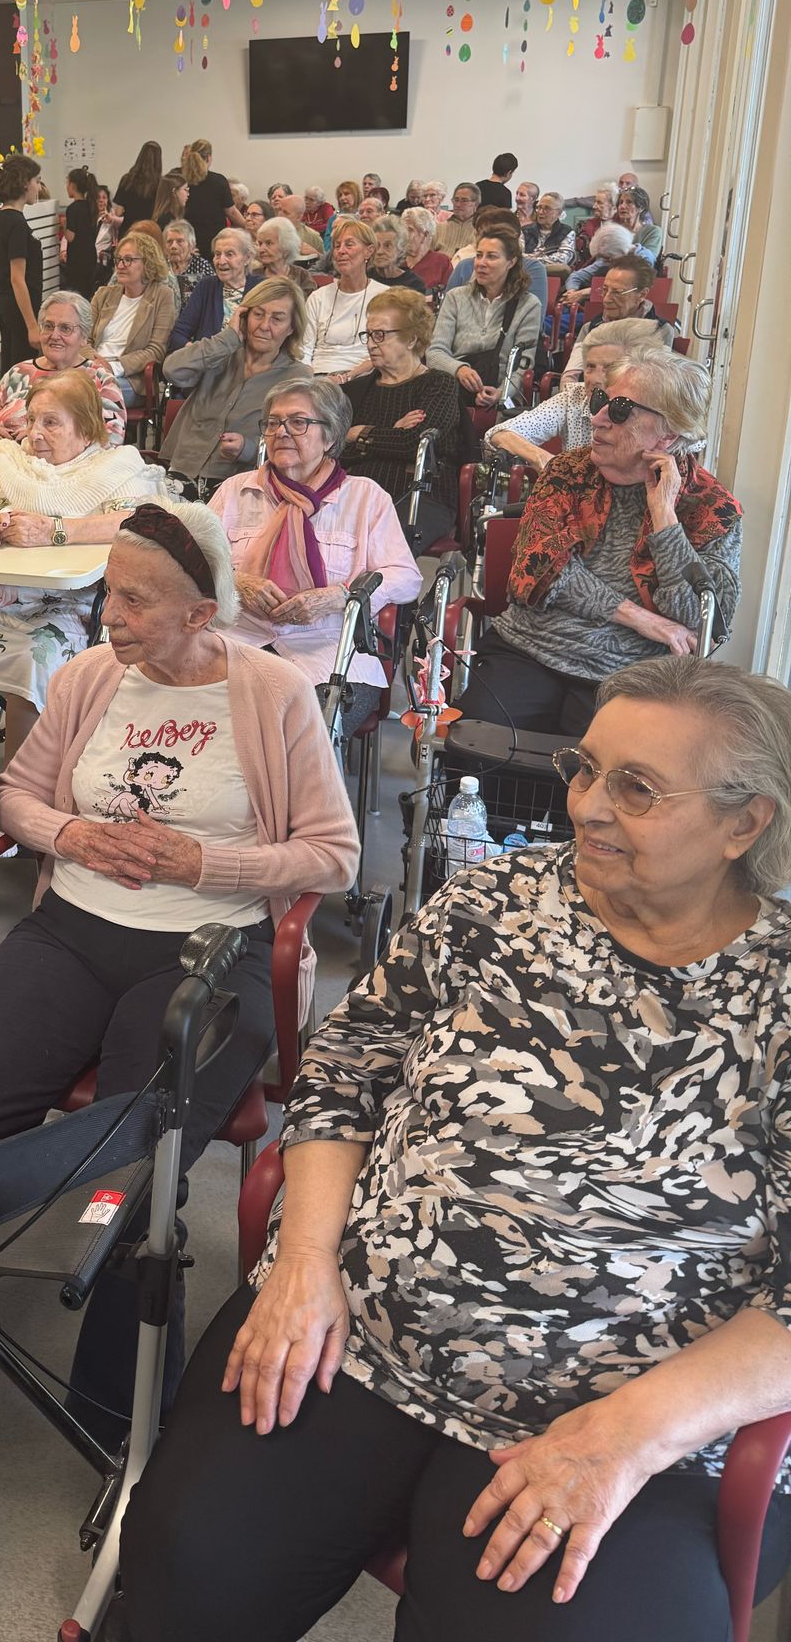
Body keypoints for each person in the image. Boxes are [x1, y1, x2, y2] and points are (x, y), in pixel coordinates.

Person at [119, 653, 791, 1642]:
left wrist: (626, 1436)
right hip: (359, 1329)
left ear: (745, 823)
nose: (586, 807)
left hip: (618, 1402)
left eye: (637, 788)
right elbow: (348, 1062)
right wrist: (302, 1261)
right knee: (186, 1572)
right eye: (585, 768)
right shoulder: (497, 899)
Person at [0, 500, 360, 1469]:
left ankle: (117, 1416)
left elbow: (334, 854)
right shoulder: (87, 675)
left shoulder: (275, 692)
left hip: (211, 949)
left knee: (130, 1168)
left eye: (135, 600)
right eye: (109, 591)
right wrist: (72, 833)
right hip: (72, 930)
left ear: (202, 613)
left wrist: (205, 862)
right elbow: (15, 798)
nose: (108, 613)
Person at [459, 352, 739, 734]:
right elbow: (539, 569)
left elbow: (701, 621)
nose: (597, 418)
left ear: (668, 435)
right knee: (476, 738)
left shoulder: (712, 509)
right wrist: (644, 620)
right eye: (600, 400)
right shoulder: (568, 472)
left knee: (602, 762)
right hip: (530, 647)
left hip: (633, 674)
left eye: (620, 410)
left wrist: (665, 521)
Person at [0, 371, 164, 758]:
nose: (34, 433)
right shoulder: (4, 459)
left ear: (86, 429)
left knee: (34, 661)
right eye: (31, 419)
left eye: (51, 422)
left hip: (62, 603)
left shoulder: (116, 467)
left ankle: (17, 783)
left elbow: (134, 521)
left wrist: (56, 530)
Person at [211, 378, 420, 740]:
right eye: (273, 423)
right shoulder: (236, 491)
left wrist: (339, 596)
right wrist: (237, 583)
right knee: (208, 730)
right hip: (239, 641)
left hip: (328, 653)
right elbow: (194, 562)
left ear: (330, 436)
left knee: (301, 741)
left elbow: (406, 576)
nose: (281, 432)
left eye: (298, 422)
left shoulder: (365, 498)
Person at [163, 278, 311, 494]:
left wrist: (247, 448)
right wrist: (228, 338)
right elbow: (172, 370)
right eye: (258, 314)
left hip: (240, 483)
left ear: (292, 328)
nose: (264, 326)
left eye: (277, 319)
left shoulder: (296, 377)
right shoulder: (220, 353)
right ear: (244, 316)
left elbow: (298, 441)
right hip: (183, 471)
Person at [342, 290, 465, 546]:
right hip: (356, 493)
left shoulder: (439, 384)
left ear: (411, 339)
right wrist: (392, 432)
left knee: (380, 546)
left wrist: (358, 433)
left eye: (380, 335)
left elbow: (416, 445)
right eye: (368, 334)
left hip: (420, 495)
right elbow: (336, 452)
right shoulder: (356, 391)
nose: (370, 344)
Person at [488, 317, 665, 473]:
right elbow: (499, 433)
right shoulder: (573, 397)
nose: (594, 379)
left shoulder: (650, 407)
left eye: (609, 368)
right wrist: (545, 460)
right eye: (590, 367)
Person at [0, 291, 126, 451]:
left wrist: (39, 437)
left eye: (65, 328)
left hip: (69, 466)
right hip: (4, 460)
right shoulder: (18, 373)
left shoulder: (101, 379)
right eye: (48, 326)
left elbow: (111, 439)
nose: (54, 335)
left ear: (83, 337)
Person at [426, 226, 543, 409]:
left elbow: (523, 365)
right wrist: (459, 369)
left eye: (491, 256)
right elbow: (435, 352)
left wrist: (501, 393)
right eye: (479, 255)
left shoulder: (528, 305)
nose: (481, 263)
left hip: (499, 392)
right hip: (452, 387)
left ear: (511, 262)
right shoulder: (456, 297)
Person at [89, 232, 178, 408]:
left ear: (148, 263)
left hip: (130, 378)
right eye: (118, 259)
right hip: (90, 370)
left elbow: (156, 350)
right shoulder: (103, 294)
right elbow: (81, 338)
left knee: (86, 393)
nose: (120, 265)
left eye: (128, 260)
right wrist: (94, 364)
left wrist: (113, 367)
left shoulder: (162, 296)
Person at [297, 220, 388, 380]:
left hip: (364, 377)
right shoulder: (318, 297)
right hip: (319, 377)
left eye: (349, 245)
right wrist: (310, 379)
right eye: (337, 246)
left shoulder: (385, 297)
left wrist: (348, 377)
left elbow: (386, 351)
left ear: (369, 251)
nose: (341, 251)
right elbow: (304, 350)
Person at [559, 256, 672, 382]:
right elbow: (570, 376)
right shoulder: (591, 328)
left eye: (617, 292)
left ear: (642, 294)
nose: (606, 299)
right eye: (604, 290)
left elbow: (657, 382)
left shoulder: (660, 330)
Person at [0, 153, 44, 371]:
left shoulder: (4, 217)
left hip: (9, 306)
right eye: (37, 181)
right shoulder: (16, 223)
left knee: (11, 369)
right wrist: (32, 326)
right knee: (21, 371)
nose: (39, 188)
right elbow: (17, 278)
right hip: (17, 309)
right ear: (24, 184)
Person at [168, 227, 259, 352]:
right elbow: (178, 335)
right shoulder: (206, 287)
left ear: (247, 258)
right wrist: (199, 353)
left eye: (229, 254)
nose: (221, 261)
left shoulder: (260, 287)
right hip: (208, 360)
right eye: (217, 254)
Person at [182, 138, 241, 258]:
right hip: (215, 244)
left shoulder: (182, 181)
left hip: (189, 243)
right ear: (209, 157)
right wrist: (248, 227)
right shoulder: (218, 181)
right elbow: (232, 212)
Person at [560, 221, 637, 310]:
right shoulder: (607, 259)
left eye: (608, 258)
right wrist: (571, 292)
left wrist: (586, 292)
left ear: (622, 251)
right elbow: (576, 276)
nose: (606, 261)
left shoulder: (643, 260)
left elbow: (625, 289)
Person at [60, 165, 103, 298]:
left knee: (76, 294)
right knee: (87, 293)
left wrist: (64, 225)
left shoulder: (73, 209)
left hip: (77, 259)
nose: (66, 187)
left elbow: (70, 237)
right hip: (90, 256)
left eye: (67, 184)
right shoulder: (91, 206)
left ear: (73, 185)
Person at [255, 216, 312, 296]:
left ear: (286, 247)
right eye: (260, 244)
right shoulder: (253, 276)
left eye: (269, 243)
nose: (261, 249)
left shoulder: (302, 277)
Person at [112, 142, 164, 231]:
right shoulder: (160, 183)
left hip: (128, 229)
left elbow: (118, 212)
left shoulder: (127, 179)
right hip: (148, 230)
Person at [400, 205, 453, 291]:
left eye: (410, 230)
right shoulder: (396, 260)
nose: (403, 234)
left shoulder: (441, 262)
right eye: (402, 229)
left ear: (425, 235)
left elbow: (447, 293)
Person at [163, 217, 213, 301]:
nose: (173, 246)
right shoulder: (160, 267)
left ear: (191, 245)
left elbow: (212, 296)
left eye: (180, 241)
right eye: (169, 242)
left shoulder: (202, 266)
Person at [368, 211, 421, 291]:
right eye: (377, 245)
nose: (379, 252)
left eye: (387, 246)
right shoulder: (364, 278)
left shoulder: (413, 283)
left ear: (401, 249)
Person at [526, 189, 575, 266]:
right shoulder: (525, 230)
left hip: (552, 270)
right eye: (539, 207)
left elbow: (562, 259)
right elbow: (516, 256)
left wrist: (533, 259)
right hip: (526, 270)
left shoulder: (567, 232)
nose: (540, 212)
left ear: (559, 213)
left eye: (547, 208)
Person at [434, 181, 481, 262]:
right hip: (440, 267)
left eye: (464, 200)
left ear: (475, 204)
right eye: (456, 200)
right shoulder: (440, 227)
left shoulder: (480, 229)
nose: (458, 204)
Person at [572, 182, 618, 265]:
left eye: (599, 203)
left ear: (613, 206)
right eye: (595, 202)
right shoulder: (586, 225)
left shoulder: (622, 226)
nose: (594, 206)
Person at [615, 185, 663, 264]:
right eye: (621, 202)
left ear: (641, 208)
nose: (622, 206)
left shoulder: (652, 231)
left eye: (629, 202)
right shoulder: (615, 231)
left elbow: (648, 261)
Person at [275, 192, 324, 263]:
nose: (280, 214)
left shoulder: (312, 236)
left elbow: (327, 263)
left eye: (285, 212)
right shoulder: (269, 231)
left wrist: (316, 254)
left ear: (299, 217)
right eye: (279, 209)